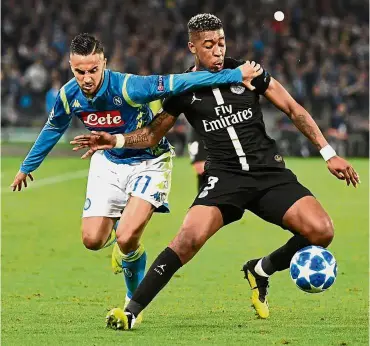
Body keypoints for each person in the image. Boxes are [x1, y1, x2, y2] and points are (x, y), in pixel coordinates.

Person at [70, 14, 360, 330]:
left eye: (221, 42)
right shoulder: (182, 90)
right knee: (187, 239)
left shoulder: (250, 73)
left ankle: (261, 270)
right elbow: (152, 134)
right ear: (193, 46)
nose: (218, 50)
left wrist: (328, 153)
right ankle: (131, 311)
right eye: (209, 45)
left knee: (322, 231)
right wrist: (116, 139)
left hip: (269, 174)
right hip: (225, 179)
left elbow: (293, 108)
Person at [10, 32, 263, 323]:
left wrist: (233, 75)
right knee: (92, 240)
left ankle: (132, 303)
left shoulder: (128, 87)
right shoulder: (69, 95)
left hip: (149, 161)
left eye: (93, 70)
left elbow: (179, 82)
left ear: (104, 62)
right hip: (108, 162)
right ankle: (122, 240)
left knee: (127, 236)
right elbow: (54, 127)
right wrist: (28, 166)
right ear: (70, 66)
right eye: (80, 71)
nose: (87, 78)